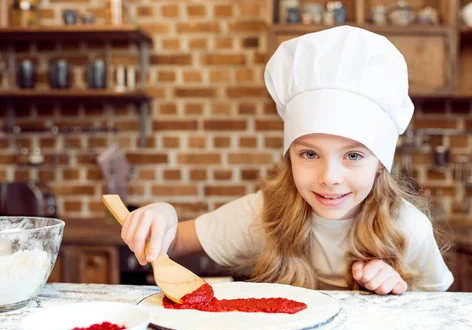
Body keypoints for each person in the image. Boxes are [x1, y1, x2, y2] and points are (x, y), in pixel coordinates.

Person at [120, 25, 454, 295]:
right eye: (309, 154)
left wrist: (399, 288)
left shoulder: (408, 229)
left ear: (380, 162)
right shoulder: (265, 214)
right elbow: (174, 242)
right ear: (289, 156)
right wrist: (164, 216)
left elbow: (438, 317)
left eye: (353, 155)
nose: (330, 177)